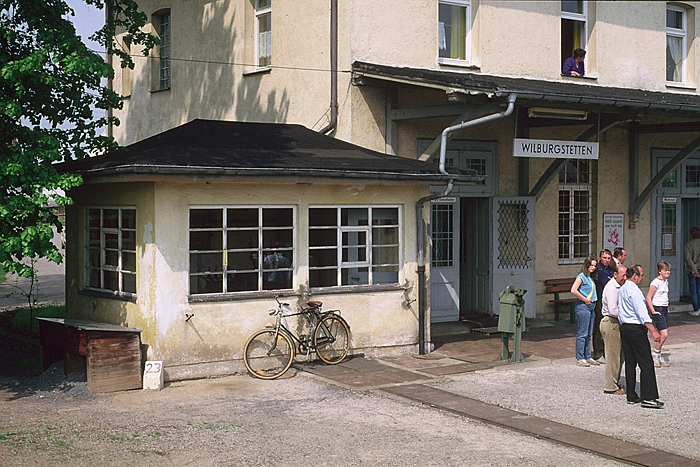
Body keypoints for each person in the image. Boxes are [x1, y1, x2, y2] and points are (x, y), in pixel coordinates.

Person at [618, 264, 664, 408]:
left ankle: (631, 394)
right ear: (635, 276)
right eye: (641, 275)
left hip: (625, 327)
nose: (643, 278)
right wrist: (653, 331)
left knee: (630, 362)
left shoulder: (623, 288)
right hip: (635, 328)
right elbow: (641, 313)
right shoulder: (634, 290)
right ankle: (648, 397)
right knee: (646, 363)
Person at [600, 264, 627, 395]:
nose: (625, 278)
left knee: (619, 355)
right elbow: (613, 310)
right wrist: (628, 314)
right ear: (615, 274)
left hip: (617, 322)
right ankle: (610, 386)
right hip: (611, 322)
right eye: (623, 275)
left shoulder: (620, 286)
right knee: (613, 356)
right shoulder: (611, 288)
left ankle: (614, 381)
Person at [571, 256, 598, 367]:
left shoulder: (590, 278)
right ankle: (580, 357)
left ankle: (587, 355)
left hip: (591, 305)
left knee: (588, 333)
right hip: (583, 306)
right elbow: (573, 290)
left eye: (595, 266)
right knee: (582, 333)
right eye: (591, 265)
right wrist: (585, 299)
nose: (593, 267)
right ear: (586, 265)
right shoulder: (581, 276)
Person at [646, 261, 671, 367]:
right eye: (665, 270)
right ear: (660, 271)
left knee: (661, 334)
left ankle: (658, 354)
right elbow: (648, 297)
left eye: (668, 270)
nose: (667, 272)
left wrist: (667, 307)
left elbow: (664, 296)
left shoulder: (665, 282)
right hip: (657, 309)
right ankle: (655, 353)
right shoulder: (655, 282)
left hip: (664, 308)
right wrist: (652, 310)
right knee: (664, 334)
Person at [593, 249, 614, 361]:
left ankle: (607, 351)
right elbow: (607, 283)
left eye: (609, 258)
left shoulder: (611, 269)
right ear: (600, 257)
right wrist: (611, 280)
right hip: (600, 298)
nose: (606, 260)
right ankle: (598, 352)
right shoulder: (599, 270)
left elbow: (615, 281)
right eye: (605, 258)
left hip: (610, 299)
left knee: (608, 325)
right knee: (599, 325)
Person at [686, 226, 700, 317]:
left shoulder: (688, 245)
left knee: (693, 289)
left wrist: (695, 270)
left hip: (691, 270)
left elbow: (688, 259)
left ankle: (696, 309)